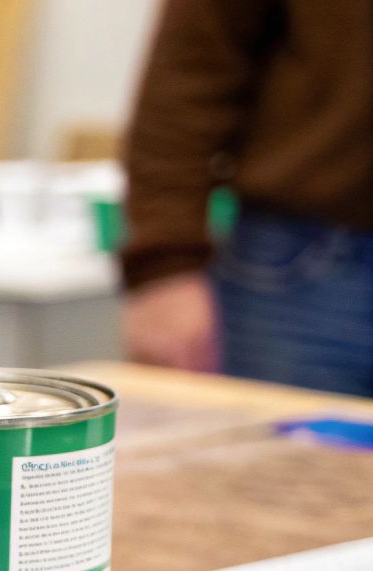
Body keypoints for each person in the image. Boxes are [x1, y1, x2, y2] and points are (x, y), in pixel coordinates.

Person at [121, 0, 373, 396]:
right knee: (280, 454)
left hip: (309, 263)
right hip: (308, 262)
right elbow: (190, 68)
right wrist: (164, 265)